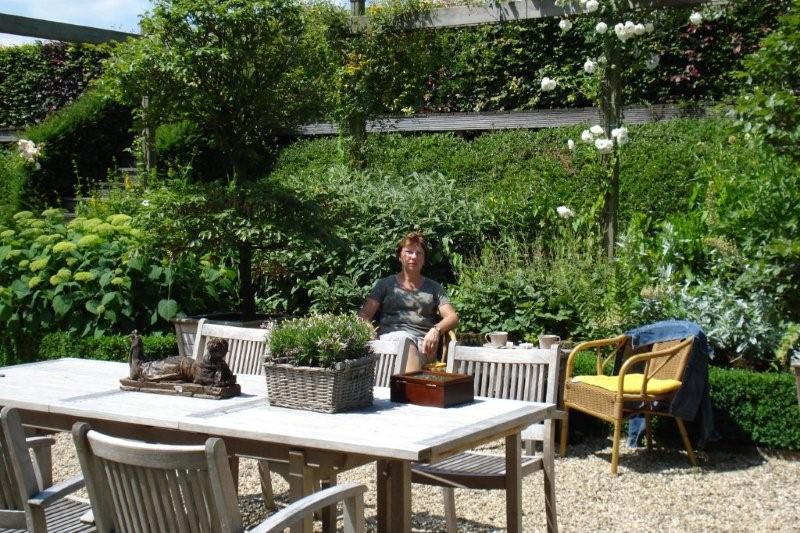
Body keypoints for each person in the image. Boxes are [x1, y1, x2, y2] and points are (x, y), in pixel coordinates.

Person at [358, 231, 459, 372]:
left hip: (423, 345)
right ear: (400, 256)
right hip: (388, 341)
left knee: (407, 343)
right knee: (404, 340)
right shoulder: (385, 284)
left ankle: (407, 385)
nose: (414, 257)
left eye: (419, 253)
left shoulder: (434, 288)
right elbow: (363, 317)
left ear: (424, 259)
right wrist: (371, 336)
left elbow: (452, 317)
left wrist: (436, 330)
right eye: (409, 252)